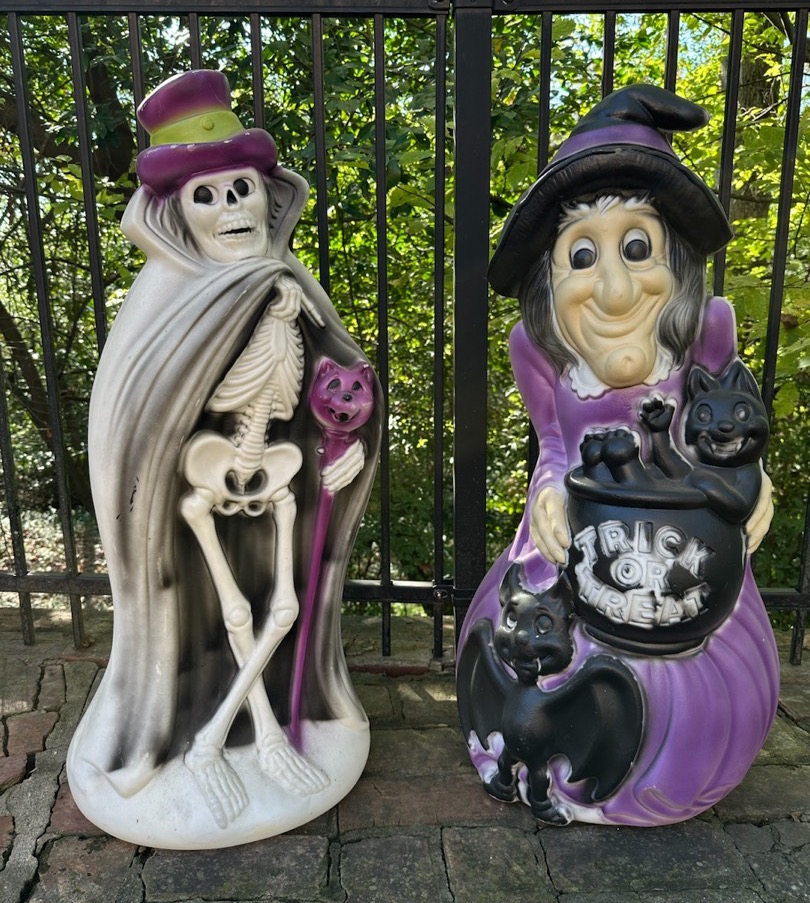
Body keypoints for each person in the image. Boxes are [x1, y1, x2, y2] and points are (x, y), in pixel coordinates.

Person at [67, 71, 381, 845]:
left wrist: (348, 451)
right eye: (205, 196)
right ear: (177, 213)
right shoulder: (162, 303)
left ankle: (275, 731)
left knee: (283, 602)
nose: (230, 207)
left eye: (240, 189)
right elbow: (133, 426)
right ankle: (195, 740)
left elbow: (344, 386)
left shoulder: (289, 286)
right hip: (201, 491)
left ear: (266, 195)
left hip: (276, 476)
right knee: (231, 606)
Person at [457, 84, 780, 825]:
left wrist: (754, 479)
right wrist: (548, 492)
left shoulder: (708, 327)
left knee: (696, 687)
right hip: (577, 534)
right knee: (529, 646)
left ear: (676, 257)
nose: (612, 287)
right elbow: (554, 443)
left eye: (637, 248)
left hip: (685, 549)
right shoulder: (537, 349)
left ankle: (654, 779)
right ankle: (546, 762)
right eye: (582, 255)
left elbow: (732, 432)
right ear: (551, 274)